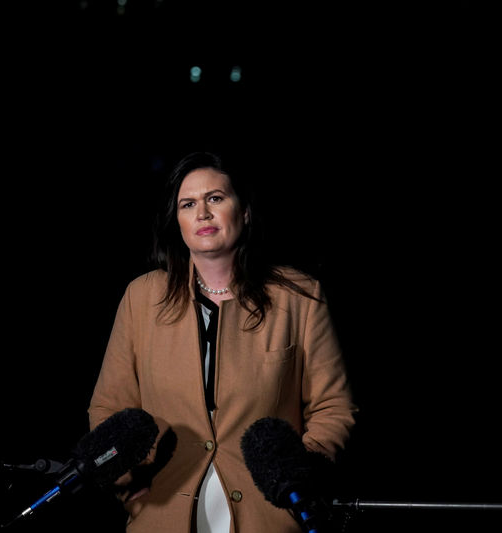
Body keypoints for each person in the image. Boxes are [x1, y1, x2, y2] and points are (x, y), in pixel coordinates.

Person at [88, 151, 357, 532]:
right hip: (161, 513)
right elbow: (109, 407)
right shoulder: (140, 298)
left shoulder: (299, 297)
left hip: (270, 518)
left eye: (215, 198)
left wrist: (296, 484)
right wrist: (128, 485)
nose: (202, 213)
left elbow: (333, 408)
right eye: (188, 203)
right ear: (176, 221)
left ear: (244, 212)